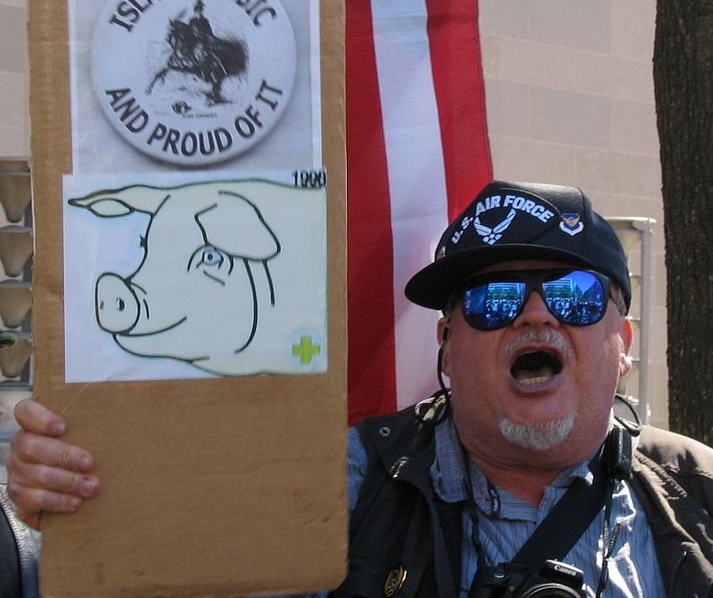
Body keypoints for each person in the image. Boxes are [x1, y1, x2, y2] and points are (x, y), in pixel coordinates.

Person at [6, 180, 713, 597]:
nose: (535, 315)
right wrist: (73, 506)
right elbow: (159, 571)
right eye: (492, 300)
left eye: (574, 295)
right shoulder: (335, 486)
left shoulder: (700, 497)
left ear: (622, 342)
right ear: (446, 346)